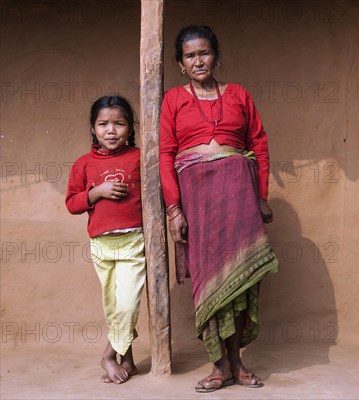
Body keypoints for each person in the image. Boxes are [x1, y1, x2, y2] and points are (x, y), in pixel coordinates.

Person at [159, 25, 279, 393]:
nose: (199, 60)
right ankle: (218, 365)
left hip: (240, 197)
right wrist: (174, 209)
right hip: (198, 202)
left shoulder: (239, 94)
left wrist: (261, 194)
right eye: (190, 55)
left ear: (216, 56)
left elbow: (258, 144)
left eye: (205, 53)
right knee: (208, 280)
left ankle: (238, 362)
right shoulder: (174, 100)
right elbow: (165, 154)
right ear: (181, 64)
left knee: (241, 279)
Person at [66, 96, 145, 384]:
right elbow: (72, 203)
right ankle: (130, 360)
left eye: (119, 124)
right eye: (103, 124)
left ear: (130, 128)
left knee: (128, 305)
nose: (111, 131)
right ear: (93, 129)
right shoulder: (83, 164)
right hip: (101, 244)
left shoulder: (139, 157)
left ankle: (108, 355)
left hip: (133, 241)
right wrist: (96, 192)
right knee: (114, 308)